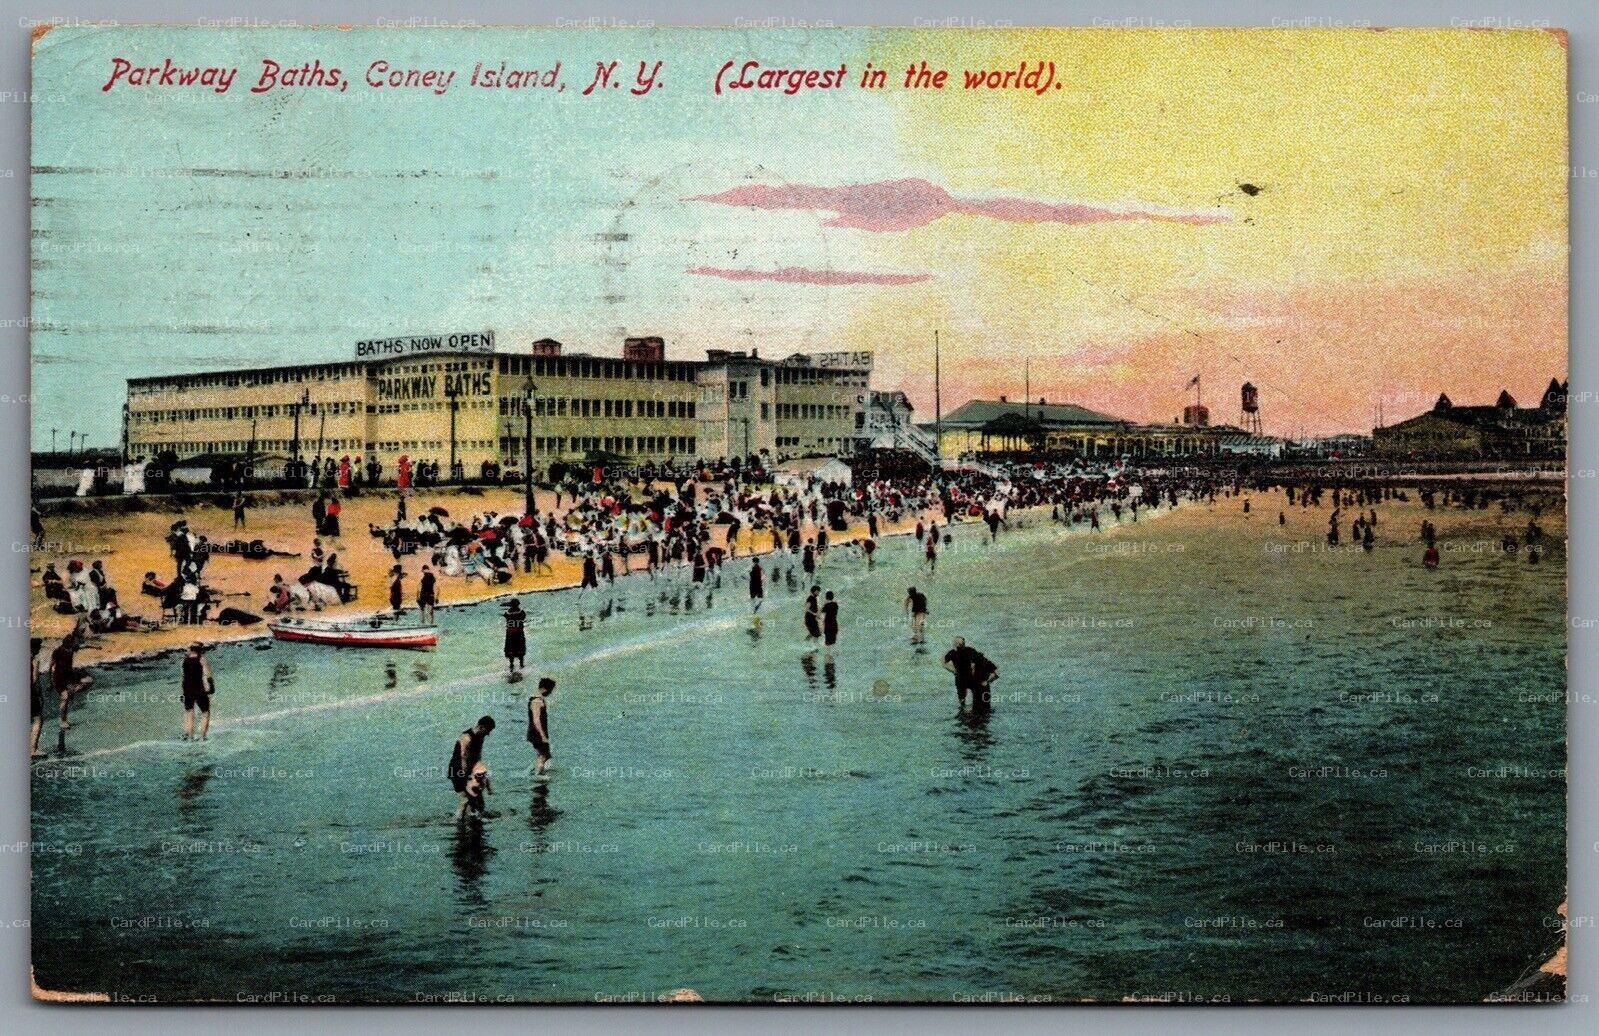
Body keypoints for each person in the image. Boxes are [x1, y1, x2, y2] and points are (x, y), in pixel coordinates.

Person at [449, 715, 495, 818]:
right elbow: (463, 760)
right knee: (466, 798)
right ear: (481, 727)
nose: (488, 734)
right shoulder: (466, 738)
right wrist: (467, 778)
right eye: (488, 731)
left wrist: (485, 779)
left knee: (479, 801)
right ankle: (457, 821)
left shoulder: (480, 737)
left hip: (471, 768)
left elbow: (478, 758)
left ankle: (472, 820)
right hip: (457, 769)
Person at [181, 641, 214, 741]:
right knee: (205, 712)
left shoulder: (184, 660)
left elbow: (183, 677)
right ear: (200, 650)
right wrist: (211, 687)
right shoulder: (202, 659)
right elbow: (208, 675)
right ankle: (202, 737)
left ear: (190, 649)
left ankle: (190, 737)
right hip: (199, 689)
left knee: (189, 713)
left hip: (187, 690)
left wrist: (182, 693)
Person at [528, 677, 556, 775]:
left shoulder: (541, 700)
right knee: (544, 755)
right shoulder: (536, 701)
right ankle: (539, 774)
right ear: (544, 688)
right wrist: (543, 736)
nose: (550, 693)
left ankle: (537, 771)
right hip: (537, 732)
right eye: (550, 690)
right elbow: (536, 720)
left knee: (543, 754)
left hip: (539, 732)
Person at [503, 598, 527, 674]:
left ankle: (511, 665)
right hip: (519, 632)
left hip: (510, 633)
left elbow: (506, 618)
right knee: (520, 647)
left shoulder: (507, 613)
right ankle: (521, 664)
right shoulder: (521, 612)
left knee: (511, 648)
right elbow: (523, 618)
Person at [30, 638, 45, 758]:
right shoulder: (34, 660)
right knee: (38, 719)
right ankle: (33, 749)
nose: (39, 650)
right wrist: (39, 694)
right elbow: (35, 680)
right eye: (39, 648)